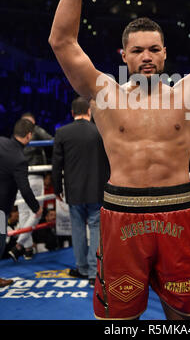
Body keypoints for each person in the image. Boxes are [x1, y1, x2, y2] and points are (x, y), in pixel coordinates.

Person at [48, 0, 190, 320]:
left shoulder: (188, 94)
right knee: (117, 319)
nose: (147, 57)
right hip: (121, 213)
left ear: (165, 52)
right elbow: (62, 42)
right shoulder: (104, 94)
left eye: (154, 49)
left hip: (179, 211)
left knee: (187, 318)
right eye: (137, 51)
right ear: (124, 55)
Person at [51, 97, 110, 286]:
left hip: (74, 190)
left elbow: (56, 166)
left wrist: (57, 189)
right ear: (89, 111)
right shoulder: (99, 131)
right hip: (97, 189)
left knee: (77, 228)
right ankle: (94, 273)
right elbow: (110, 161)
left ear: (72, 113)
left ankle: (82, 268)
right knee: (95, 228)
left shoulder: (62, 132)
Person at [0, 119, 42, 275]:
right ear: (29, 135)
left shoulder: (1, 141)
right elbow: (25, 189)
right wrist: (36, 208)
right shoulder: (19, 159)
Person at [13, 112, 53, 260]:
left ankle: (28, 249)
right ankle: (18, 245)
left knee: (24, 212)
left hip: (19, 175)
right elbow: (52, 141)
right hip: (34, 175)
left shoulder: (16, 136)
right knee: (36, 211)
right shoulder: (35, 130)